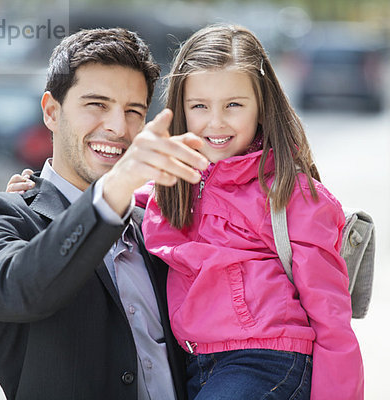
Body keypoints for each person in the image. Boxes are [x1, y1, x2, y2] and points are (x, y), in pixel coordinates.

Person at [0, 28, 209, 400]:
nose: (118, 127)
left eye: (133, 111)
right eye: (97, 104)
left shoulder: (156, 229)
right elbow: (19, 286)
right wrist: (116, 188)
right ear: (51, 112)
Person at [141, 24, 364, 399]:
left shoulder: (291, 194)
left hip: (269, 359)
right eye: (199, 106)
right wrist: (38, 191)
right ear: (180, 110)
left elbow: (330, 316)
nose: (216, 122)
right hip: (197, 364)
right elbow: (109, 199)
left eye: (233, 105)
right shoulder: (173, 185)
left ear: (262, 106)